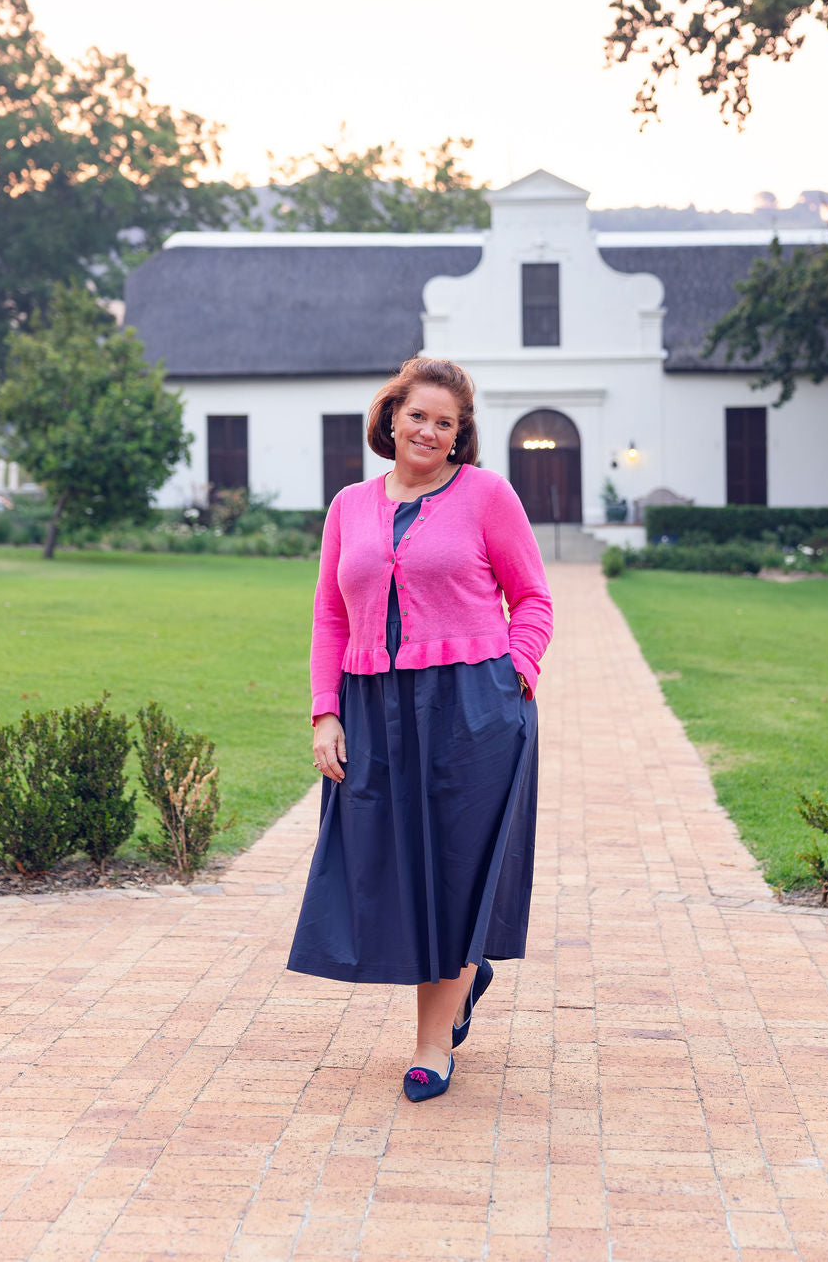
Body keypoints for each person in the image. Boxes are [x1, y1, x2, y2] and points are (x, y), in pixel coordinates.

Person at [287, 357, 553, 1102]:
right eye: (419, 416)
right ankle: (464, 976)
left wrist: (516, 673)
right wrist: (325, 708)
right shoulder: (348, 505)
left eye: (446, 422)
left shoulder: (486, 496)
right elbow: (330, 614)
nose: (430, 430)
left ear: (460, 434)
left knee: (457, 866)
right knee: (393, 863)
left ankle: (433, 1044)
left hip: (473, 706)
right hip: (374, 705)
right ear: (391, 417)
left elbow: (532, 597)